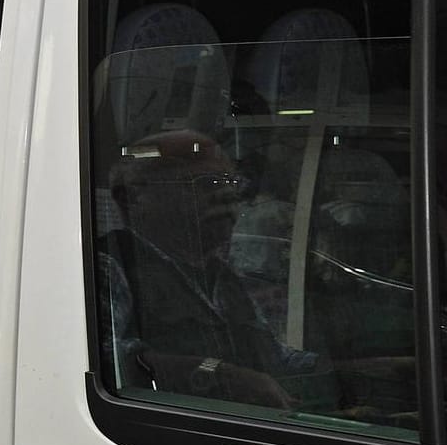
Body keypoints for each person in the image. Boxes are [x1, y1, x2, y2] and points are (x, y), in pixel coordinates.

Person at [98, 129, 332, 408]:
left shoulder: (224, 277)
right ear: (133, 198)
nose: (226, 195)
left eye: (230, 181)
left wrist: (346, 369)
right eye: (204, 182)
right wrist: (220, 374)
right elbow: (108, 360)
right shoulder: (112, 265)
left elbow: (274, 358)